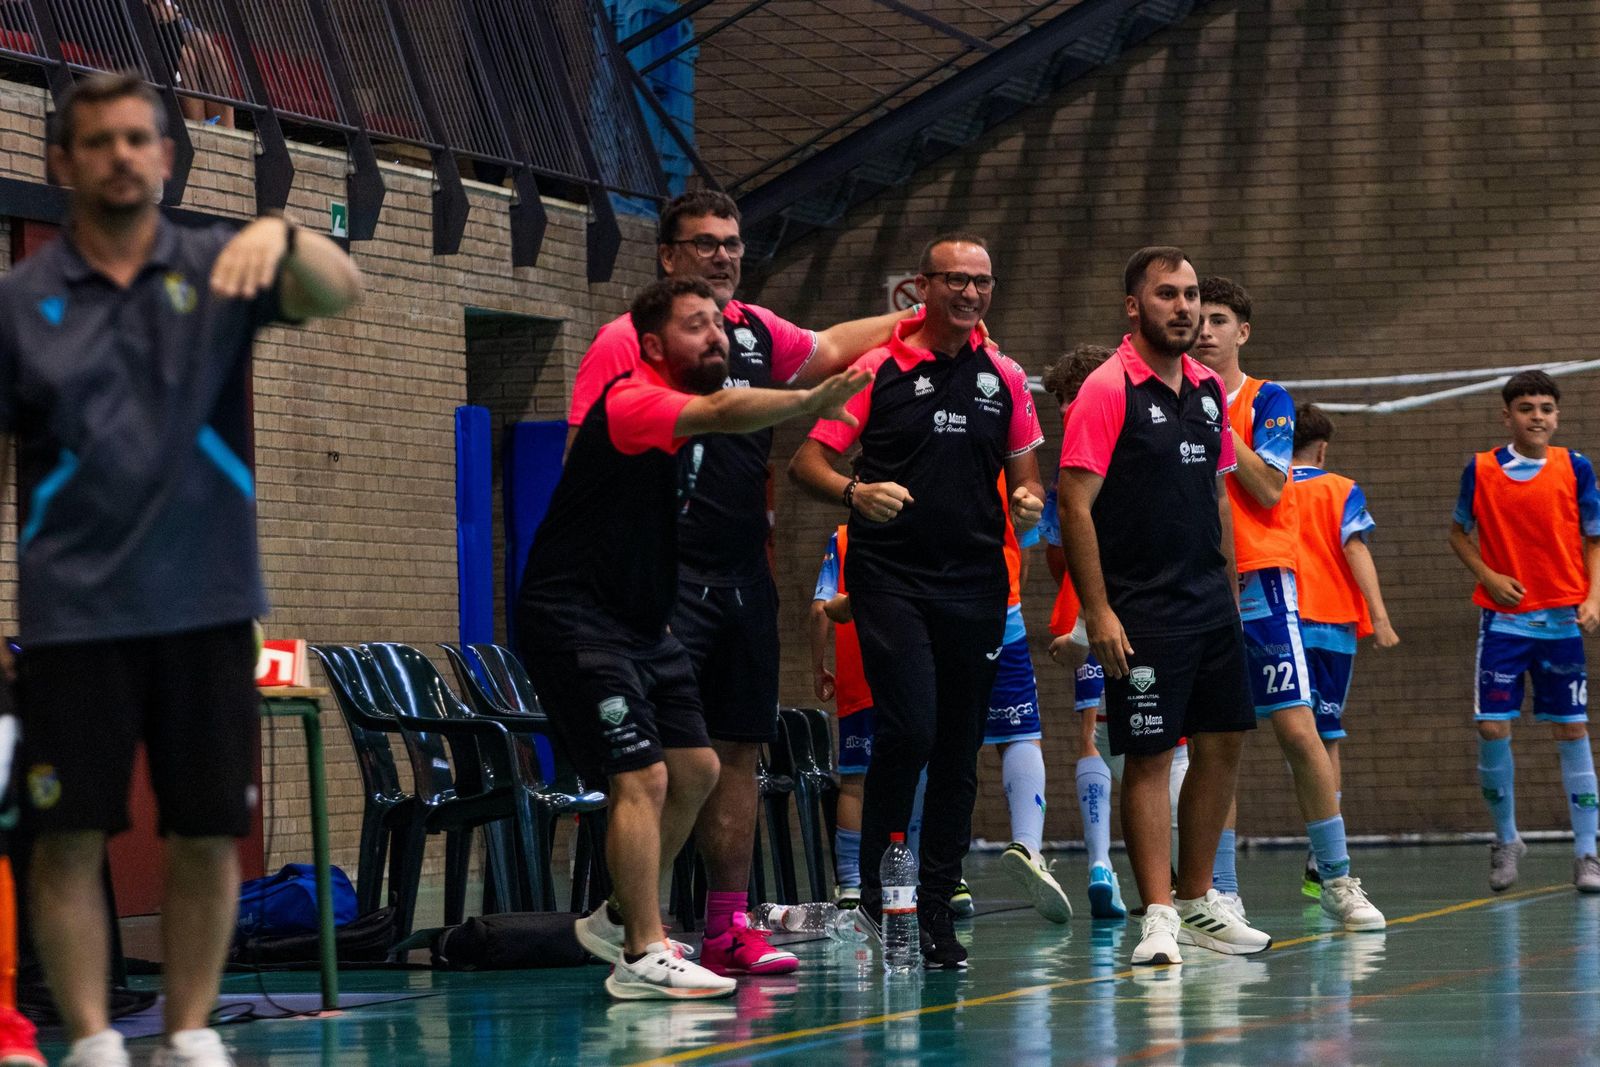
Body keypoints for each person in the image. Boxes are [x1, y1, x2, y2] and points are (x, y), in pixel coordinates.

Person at [0, 72, 361, 1067]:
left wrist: (287, 234)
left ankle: (192, 1026)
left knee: (206, 832)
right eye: (100, 141)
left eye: (138, 138)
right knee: (70, 833)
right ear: (61, 162)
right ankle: (90, 1038)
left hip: (209, 602)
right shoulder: (20, 302)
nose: (121, 154)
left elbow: (343, 289)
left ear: (165, 154)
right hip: (75, 610)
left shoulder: (219, 268)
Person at [568, 190, 908, 977]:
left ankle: (725, 927)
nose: (723, 255)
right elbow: (589, 456)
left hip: (742, 575)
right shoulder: (625, 341)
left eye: (732, 243)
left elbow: (825, 344)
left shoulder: (752, 329)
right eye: (705, 244)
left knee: (737, 755)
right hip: (662, 579)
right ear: (668, 256)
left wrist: (917, 320)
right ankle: (635, 928)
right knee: (660, 761)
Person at [520, 276, 870, 1000]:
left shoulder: (684, 411)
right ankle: (643, 948)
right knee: (643, 775)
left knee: (699, 767)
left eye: (718, 325)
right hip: (576, 613)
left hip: (642, 619)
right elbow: (719, 408)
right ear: (652, 344)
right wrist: (808, 402)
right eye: (694, 327)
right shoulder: (636, 398)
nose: (715, 337)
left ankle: (618, 913)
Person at [789, 232, 1044, 969]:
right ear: (922, 287)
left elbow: (1026, 475)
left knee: (960, 746)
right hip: (890, 580)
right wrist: (853, 492)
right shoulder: (877, 370)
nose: (970, 294)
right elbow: (809, 459)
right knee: (912, 727)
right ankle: (877, 896)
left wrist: (1027, 504)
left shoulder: (1006, 377)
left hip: (975, 584)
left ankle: (935, 909)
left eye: (982, 283)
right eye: (956, 280)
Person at [1057, 246, 1268, 966]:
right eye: (1167, 295)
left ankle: (1199, 896)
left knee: (1224, 744)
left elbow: (1217, 496)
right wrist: (1100, 612)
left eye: (1190, 296)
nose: (1183, 308)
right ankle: (1156, 915)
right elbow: (1075, 504)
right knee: (1147, 757)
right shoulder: (1107, 388)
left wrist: (1232, 591)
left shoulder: (1210, 390)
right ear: (1133, 306)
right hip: (1141, 611)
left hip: (1210, 605)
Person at [1192, 275, 1385, 933]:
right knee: (1217, 744)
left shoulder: (1268, 398)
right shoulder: (1162, 399)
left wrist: (1215, 424)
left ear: (1241, 331)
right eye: (1198, 317)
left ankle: (1334, 877)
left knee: (1301, 731)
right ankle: (1220, 891)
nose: (1205, 328)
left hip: (1263, 583)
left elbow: (1270, 488)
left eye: (1219, 318)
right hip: (1193, 583)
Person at [813, 484, 1072, 925]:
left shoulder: (888, 498)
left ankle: (884, 878)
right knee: (1015, 733)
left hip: (910, 631)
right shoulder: (1000, 469)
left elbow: (829, 608)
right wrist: (1007, 594)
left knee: (919, 747)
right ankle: (1019, 847)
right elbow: (1025, 555)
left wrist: (818, 662)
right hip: (993, 609)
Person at [1041, 343, 1190, 921]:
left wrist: (1083, 625)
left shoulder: (1126, 452)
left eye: (1070, 398)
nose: (1064, 411)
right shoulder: (1071, 471)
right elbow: (1063, 554)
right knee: (1112, 743)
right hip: (1094, 616)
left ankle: (1197, 886)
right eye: (1057, 401)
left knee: (1162, 749)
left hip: (1136, 614)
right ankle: (1145, 879)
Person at [1448, 370, 1600, 893]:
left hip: (1561, 621)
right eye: (1527, 407)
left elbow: (1593, 537)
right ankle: (1507, 837)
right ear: (1507, 414)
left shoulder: (1575, 467)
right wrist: (1488, 575)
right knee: (1492, 727)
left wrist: (1593, 597)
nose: (1538, 416)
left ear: (1557, 416)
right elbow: (1458, 533)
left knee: (1572, 729)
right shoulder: (1483, 468)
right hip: (1504, 623)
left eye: (1546, 408)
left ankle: (1587, 850)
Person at [1289, 404, 1401, 897]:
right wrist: (1379, 616)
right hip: (1329, 627)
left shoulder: (1261, 486)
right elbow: (1356, 548)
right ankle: (1323, 854)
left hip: (1271, 621)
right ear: (1323, 447)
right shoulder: (1339, 489)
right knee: (1325, 736)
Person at [145, 1, 236, 128]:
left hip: (176, 19)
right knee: (186, 57)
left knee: (210, 51)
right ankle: (199, 132)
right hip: (145, 21)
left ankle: (227, 132)